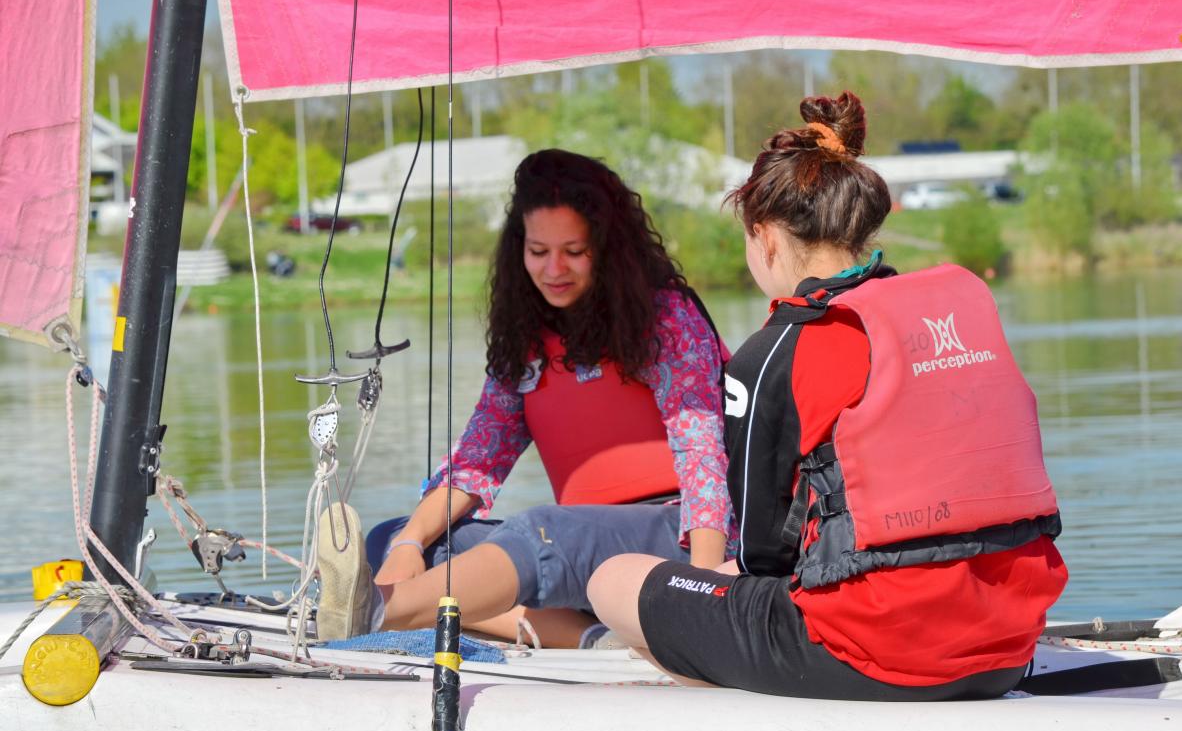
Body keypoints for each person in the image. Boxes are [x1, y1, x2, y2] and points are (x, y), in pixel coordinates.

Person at [587, 92, 1068, 699]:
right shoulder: (936, 320)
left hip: (870, 655)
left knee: (613, 580)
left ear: (764, 237)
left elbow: (762, 554)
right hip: (1005, 647)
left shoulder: (773, 353)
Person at [317, 149, 731, 645]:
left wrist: (705, 591)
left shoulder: (666, 319)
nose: (554, 268)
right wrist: (409, 542)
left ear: (608, 248)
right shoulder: (527, 341)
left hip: (680, 537)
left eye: (573, 251)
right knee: (398, 539)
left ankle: (374, 613)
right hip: (581, 546)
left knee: (541, 532)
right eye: (538, 251)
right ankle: (593, 640)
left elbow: (704, 458)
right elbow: (477, 460)